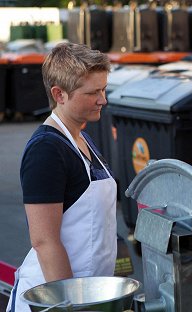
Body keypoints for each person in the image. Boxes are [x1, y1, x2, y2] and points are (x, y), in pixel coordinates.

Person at [7, 43, 117, 311]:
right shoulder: (46, 150)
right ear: (60, 94)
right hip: (56, 300)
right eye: (93, 92)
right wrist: (70, 305)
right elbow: (45, 242)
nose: (103, 99)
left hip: (91, 294)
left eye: (103, 89)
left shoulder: (84, 138)